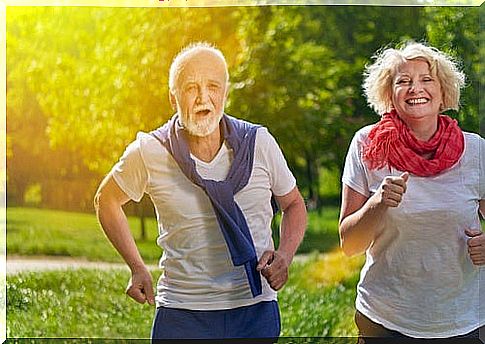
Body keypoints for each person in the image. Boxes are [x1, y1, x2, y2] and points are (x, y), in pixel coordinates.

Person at [93, 42, 307, 341]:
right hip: (182, 312)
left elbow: (294, 204)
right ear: (173, 98)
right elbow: (107, 200)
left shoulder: (259, 143)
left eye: (213, 86)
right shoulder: (151, 150)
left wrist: (285, 255)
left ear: (225, 93)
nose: (203, 98)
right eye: (191, 88)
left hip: (253, 309)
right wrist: (136, 267)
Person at [339, 41, 485, 342]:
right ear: (389, 94)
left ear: (443, 91)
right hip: (385, 320)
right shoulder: (368, 144)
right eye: (403, 81)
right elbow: (349, 244)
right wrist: (377, 203)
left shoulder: (476, 150)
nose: (415, 88)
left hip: (461, 321)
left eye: (426, 79)